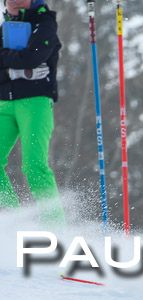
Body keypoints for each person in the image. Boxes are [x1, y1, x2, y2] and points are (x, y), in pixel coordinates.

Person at [0, 0, 64, 225]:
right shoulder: (4, 27)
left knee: (34, 165)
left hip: (35, 102)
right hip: (4, 102)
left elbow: (32, 56)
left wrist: (6, 58)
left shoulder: (44, 23)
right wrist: (12, 60)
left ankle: (56, 229)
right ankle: (11, 221)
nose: (16, 1)